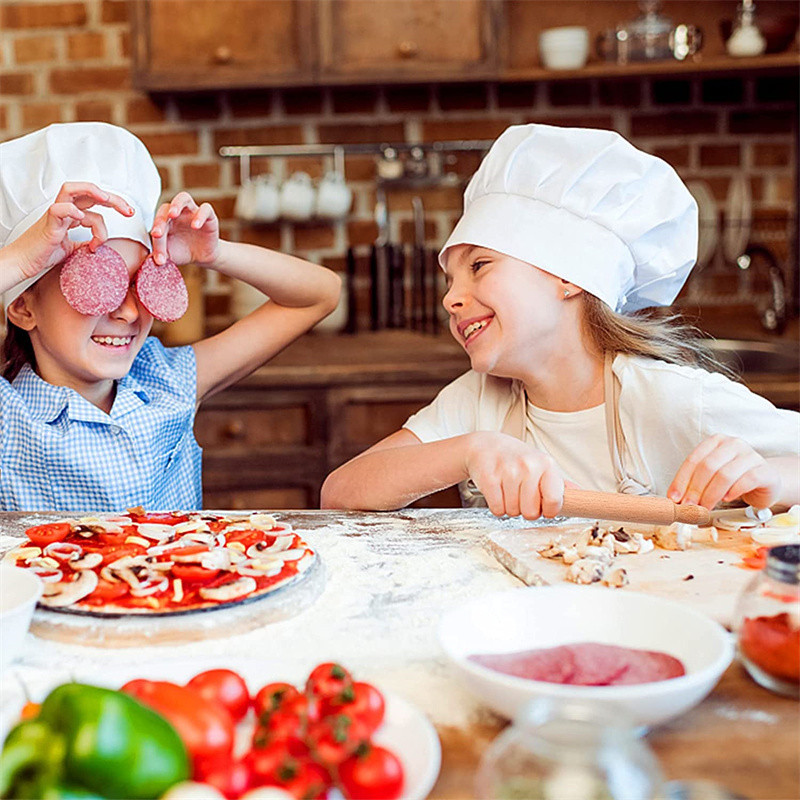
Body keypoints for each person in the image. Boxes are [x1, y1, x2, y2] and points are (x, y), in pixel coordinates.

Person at [322, 123, 799, 519]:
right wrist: (468, 450)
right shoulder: (477, 400)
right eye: (450, 280)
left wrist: (772, 476)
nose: (451, 299)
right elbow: (340, 492)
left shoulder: (668, 398)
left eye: (480, 266)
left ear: (570, 275)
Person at [0, 122, 340, 511]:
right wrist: (22, 259)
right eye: (97, 284)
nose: (128, 312)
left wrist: (213, 254)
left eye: (137, 281)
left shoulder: (168, 380)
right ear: (24, 307)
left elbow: (319, 294)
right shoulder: (8, 416)